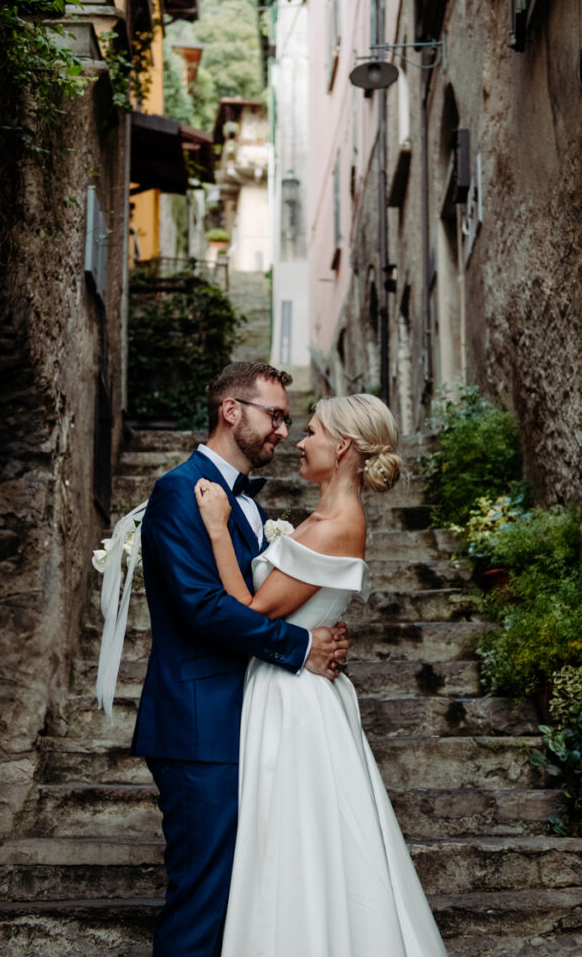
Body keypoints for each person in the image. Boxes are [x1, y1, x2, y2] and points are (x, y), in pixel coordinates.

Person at [194, 393, 449, 957]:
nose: (299, 441)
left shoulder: (337, 525)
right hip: (289, 683)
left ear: (345, 447)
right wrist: (310, 636)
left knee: (297, 843)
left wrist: (217, 529)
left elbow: (247, 614)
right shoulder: (323, 517)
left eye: (311, 432)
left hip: (295, 705)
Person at [129, 362, 351, 957]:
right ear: (232, 411)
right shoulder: (180, 490)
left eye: (286, 419)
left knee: (238, 900)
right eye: (274, 415)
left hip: (245, 723)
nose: (284, 429)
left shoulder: (244, 502)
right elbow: (203, 607)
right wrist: (301, 647)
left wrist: (313, 622)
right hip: (199, 726)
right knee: (201, 901)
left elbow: (255, 601)